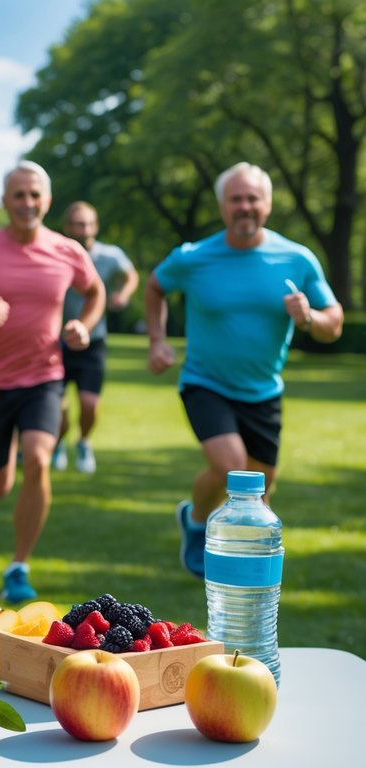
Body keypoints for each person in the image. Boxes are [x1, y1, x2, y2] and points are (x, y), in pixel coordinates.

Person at [145, 161, 342, 579]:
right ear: (222, 206)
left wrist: (308, 318)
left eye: (253, 198)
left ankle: (194, 519)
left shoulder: (296, 258)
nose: (245, 207)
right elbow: (155, 286)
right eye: (236, 199)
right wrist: (157, 339)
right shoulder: (194, 257)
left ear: (268, 203)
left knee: (260, 490)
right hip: (205, 382)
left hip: (263, 391)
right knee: (235, 471)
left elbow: (334, 324)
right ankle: (210, 535)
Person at [0, 161, 103, 603]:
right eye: (18, 195)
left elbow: (96, 291)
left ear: (46, 201)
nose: (27, 203)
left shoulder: (67, 251)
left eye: (35, 195)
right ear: (5, 201)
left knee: (39, 459)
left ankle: (18, 565)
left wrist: (83, 325)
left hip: (44, 377)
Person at [52, 201, 138, 474]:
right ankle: (58, 442)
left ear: (96, 226)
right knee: (57, 406)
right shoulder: (55, 255)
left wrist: (122, 295)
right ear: (67, 228)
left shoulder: (110, 255)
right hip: (56, 342)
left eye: (89, 223)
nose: (85, 229)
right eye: (78, 224)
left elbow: (131, 275)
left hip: (94, 341)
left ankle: (84, 442)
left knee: (89, 404)